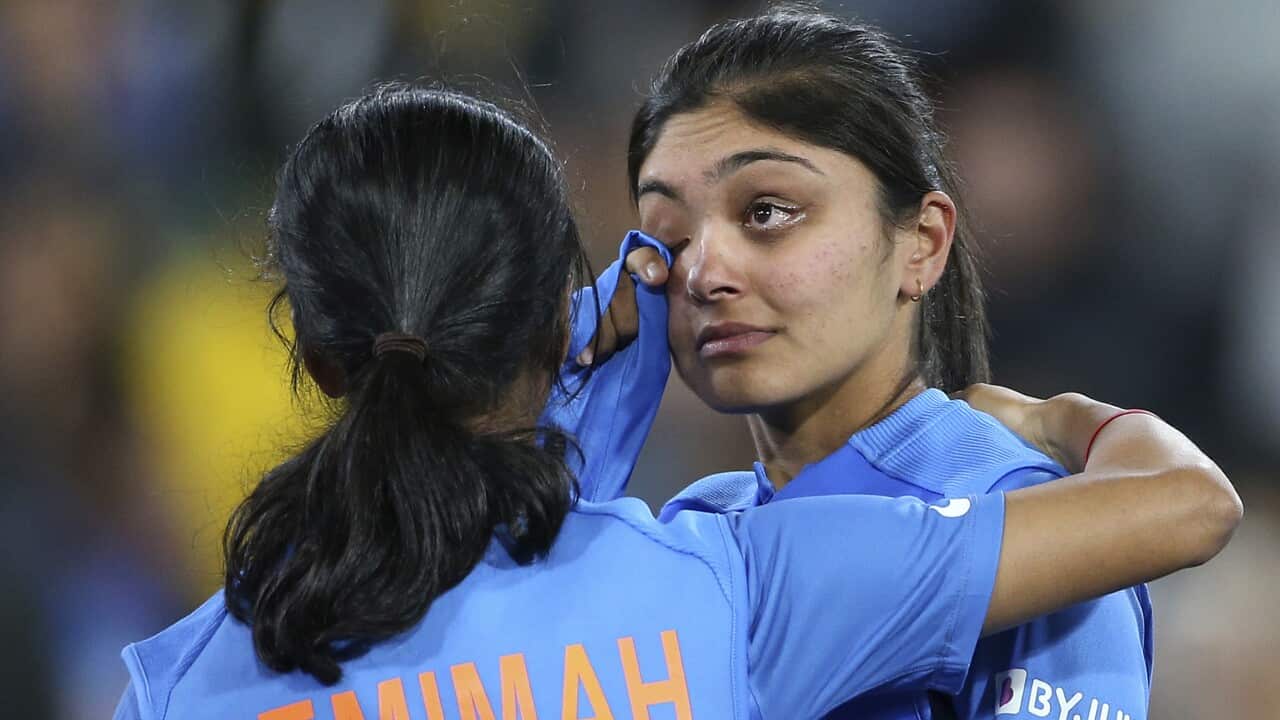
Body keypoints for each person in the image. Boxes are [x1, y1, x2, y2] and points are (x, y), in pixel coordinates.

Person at [113, 83, 1240, 720]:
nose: (704, 272)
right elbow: (1186, 506)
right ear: (560, 320)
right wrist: (1060, 420)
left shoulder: (168, 689)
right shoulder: (720, 587)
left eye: (765, 214)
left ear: (315, 358)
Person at [599, 7, 1165, 720]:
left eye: (768, 211)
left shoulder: (1032, 517)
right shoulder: (691, 523)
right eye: (670, 237)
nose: (705, 272)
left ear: (922, 243)